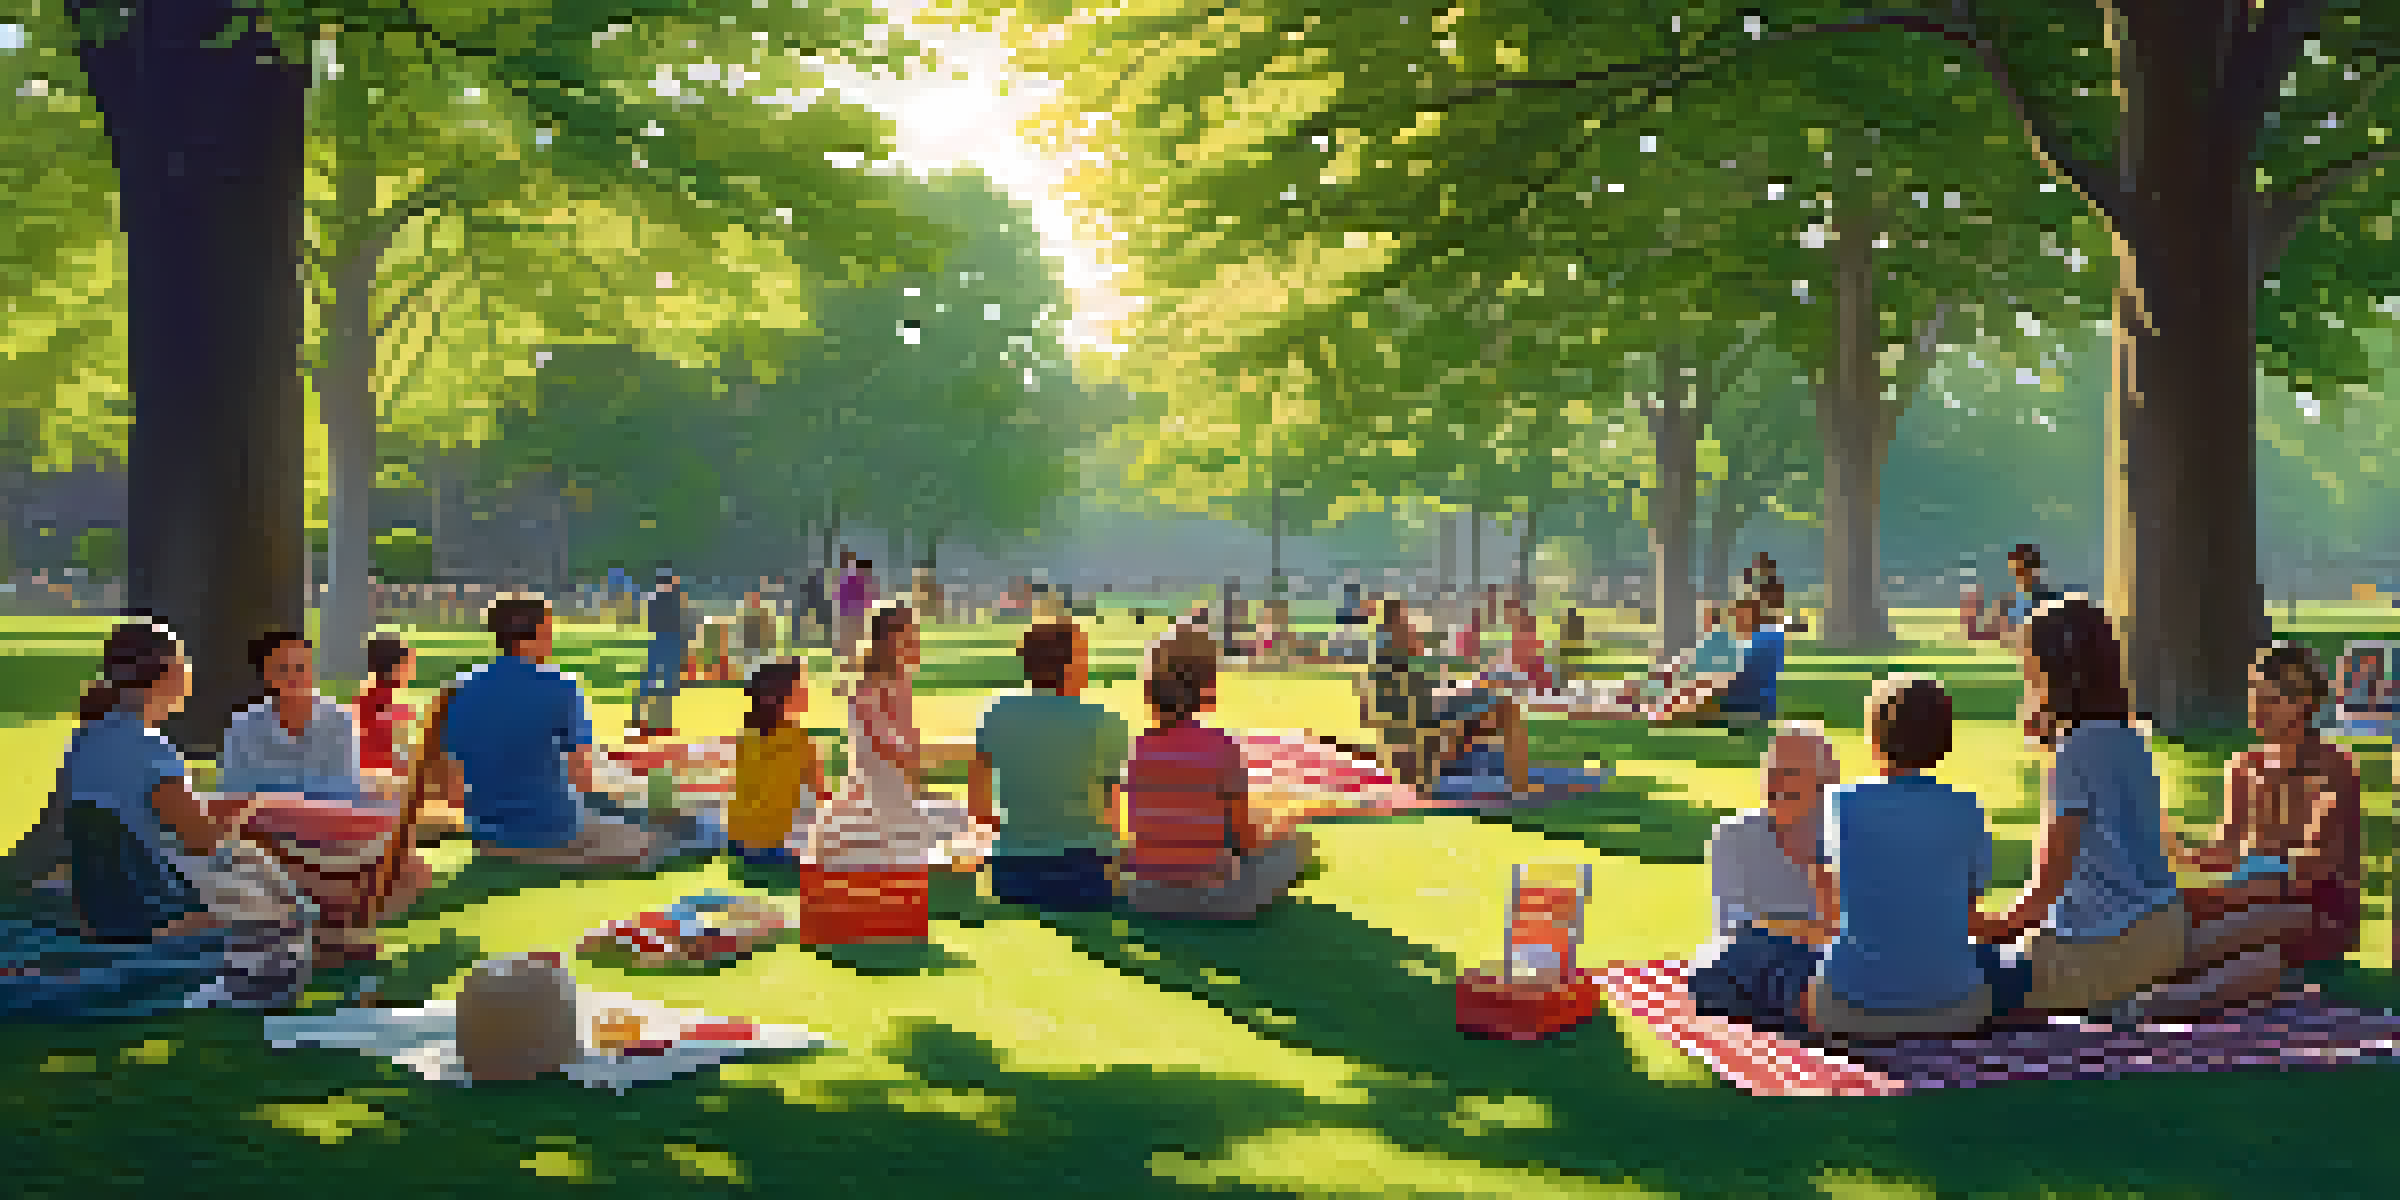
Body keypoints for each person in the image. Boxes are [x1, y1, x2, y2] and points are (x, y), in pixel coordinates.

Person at [1, 620, 317, 1012]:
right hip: (146, 906)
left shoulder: (85, 741)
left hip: (96, 901)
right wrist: (242, 817)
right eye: (184, 665)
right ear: (164, 674)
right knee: (287, 916)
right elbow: (203, 843)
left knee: (265, 893)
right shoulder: (154, 752)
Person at [1969, 598, 2193, 1023]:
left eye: (2028, 657)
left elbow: (2039, 899)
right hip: (2163, 929)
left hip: (2099, 945)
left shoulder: (2076, 751)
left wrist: (1972, 927)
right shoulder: (2128, 737)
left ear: (2053, 666)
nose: (2023, 668)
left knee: (1955, 980)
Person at [1799, 676, 2030, 1040]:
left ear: (1875, 738)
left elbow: (1829, 916)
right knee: (2005, 963)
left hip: (1850, 1012)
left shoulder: (1841, 803)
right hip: (1953, 1014)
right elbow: (1966, 916)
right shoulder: (1966, 808)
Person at [2139, 644, 2359, 1019]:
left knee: (2244, 937)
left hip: (2313, 908)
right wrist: (2169, 848)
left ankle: (2151, 1006)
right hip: (2252, 897)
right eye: (2253, 697)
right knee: (2173, 916)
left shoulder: (2332, 768)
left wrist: (2227, 896)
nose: (2256, 710)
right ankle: (2142, 992)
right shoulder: (2243, 767)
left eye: (2270, 700)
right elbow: (2224, 850)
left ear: (2303, 703)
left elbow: (2310, 871)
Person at [442, 595, 662, 868]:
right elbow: (583, 778)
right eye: (549, 629)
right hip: (553, 830)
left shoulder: (459, 688)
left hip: (486, 835)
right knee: (653, 837)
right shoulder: (562, 686)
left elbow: (451, 782)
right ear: (540, 632)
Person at [1117, 630, 1314, 920]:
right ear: (1207, 686)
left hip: (1146, 896)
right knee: (1297, 845)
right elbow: (1245, 841)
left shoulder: (1138, 748)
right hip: (1219, 899)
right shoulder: (1222, 747)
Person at [807, 604, 989, 876]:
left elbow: (907, 758)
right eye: (908, 636)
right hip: (872, 803)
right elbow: (894, 751)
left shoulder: (901, 682)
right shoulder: (865, 689)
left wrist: (926, 788)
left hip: (899, 800)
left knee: (967, 821)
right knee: (958, 827)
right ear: (887, 640)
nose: (915, 643)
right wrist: (961, 752)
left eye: (914, 635)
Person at [969, 621, 1132, 911]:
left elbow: (979, 809)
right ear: (1068, 665)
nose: (1087, 664)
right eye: (1083, 655)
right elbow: (1114, 817)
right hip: (1087, 877)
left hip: (1011, 875)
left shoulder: (995, 714)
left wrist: (1022, 829)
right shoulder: (1106, 721)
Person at [1689, 728, 1842, 1032]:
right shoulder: (1732, 835)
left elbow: (1850, 930)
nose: (1776, 783)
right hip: (1760, 956)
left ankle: (1797, 1013)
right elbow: (1734, 925)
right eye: (1771, 771)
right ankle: (1806, 1015)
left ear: (1824, 784)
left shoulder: (1844, 836)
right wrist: (1806, 930)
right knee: (1713, 972)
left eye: (1791, 773)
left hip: (1822, 960)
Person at [220, 631, 368, 804]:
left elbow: (344, 797)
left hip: (326, 826)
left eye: (301, 667)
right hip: (263, 828)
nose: (293, 677)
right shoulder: (242, 729)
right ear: (267, 675)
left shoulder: (339, 723)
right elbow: (234, 799)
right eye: (283, 668)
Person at [729, 660, 829, 868]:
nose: (807, 690)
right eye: (801, 686)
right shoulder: (800, 740)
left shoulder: (747, 735)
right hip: (774, 849)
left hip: (737, 843)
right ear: (784, 695)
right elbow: (822, 795)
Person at [353, 636, 419, 778]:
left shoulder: (363, 698)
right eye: (407, 664)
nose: (411, 672)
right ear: (395, 667)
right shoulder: (394, 706)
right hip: (383, 778)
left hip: (366, 775)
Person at [635, 569, 687, 737]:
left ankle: (648, 722)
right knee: (663, 687)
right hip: (666, 646)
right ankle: (657, 723)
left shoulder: (656, 599)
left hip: (660, 645)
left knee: (656, 686)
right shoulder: (672, 600)